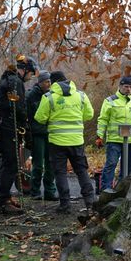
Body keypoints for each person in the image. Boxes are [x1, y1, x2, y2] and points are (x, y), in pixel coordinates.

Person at [34, 71, 96, 213]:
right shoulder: (81, 95)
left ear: (54, 82)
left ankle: (65, 204)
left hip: (57, 142)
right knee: (81, 171)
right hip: (76, 141)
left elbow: (40, 118)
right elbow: (89, 114)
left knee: (60, 172)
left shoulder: (48, 97)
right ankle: (90, 202)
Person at [0, 54, 36, 213]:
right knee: (11, 163)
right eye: (31, 74)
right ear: (26, 70)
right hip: (10, 128)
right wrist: (25, 126)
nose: (30, 77)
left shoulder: (6, 79)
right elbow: (21, 109)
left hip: (3, 126)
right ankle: (4, 202)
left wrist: (5, 107)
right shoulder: (15, 82)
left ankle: (6, 197)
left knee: (9, 163)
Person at [96, 75, 131, 194]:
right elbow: (103, 119)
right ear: (120, 87)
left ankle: (122, 190)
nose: (128, 89)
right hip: (114, 140)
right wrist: (99, 136)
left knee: (129, 168)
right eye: (126, 86)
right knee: (111, 164)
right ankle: (105, 191)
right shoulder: (110, 101)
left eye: (130, 87)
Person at [25, 70, 58, 201]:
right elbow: (27, 115)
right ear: (40, 83)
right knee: (38, 164)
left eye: (50, 81)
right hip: (37, 134)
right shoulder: (31, 96)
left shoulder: (52, 95)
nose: (49, 83)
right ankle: (35, 192)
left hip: (50, 133)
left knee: (50, 163)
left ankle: (50, 191)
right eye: (46, 81)